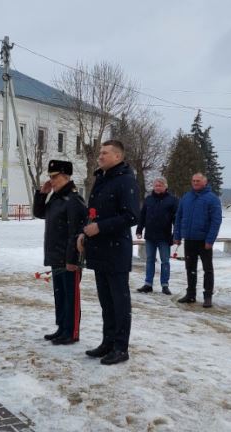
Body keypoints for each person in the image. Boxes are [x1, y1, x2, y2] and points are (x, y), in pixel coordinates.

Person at [77, 140, 140, 365]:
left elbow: (132, 216)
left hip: (116, 251)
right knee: (106, 301)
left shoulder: (126, 181)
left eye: (105, 153)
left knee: (119, 302)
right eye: (100, 152)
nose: (100, 156)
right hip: (99, 249)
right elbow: (93, 212)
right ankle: (108, 342)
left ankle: (121, 347)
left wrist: (101, 228)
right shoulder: (102, 179)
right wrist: (84, 232)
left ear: (117, 156)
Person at [33, 160, 86, 345]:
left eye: (55, 177)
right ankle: (62, 327)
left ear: (66, 176)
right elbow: (40, 213)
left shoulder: (73, 199)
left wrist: (72, 259)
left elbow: (76, 232)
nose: (52, 180)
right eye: (50, 177)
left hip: (69, 257)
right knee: (60, 294)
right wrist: (42, 194)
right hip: (56, 255)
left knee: (71, 296)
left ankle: (71, 332)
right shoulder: (56, 197)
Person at [173, 173, 222, 308]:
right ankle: (191, 294)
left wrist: (210, 240)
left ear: (205, 182)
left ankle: (207, 296)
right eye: (193, 180)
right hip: (189, 239)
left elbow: (216, 221)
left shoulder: (212, 199)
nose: (195, 183)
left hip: (204, 241)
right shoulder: (186, 197)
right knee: (190, 268)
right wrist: (177, 235)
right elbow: (179, 217)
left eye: (198, 181)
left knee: (208, 269)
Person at [136, 177, 179, 295]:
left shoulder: (172, 200)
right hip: (150, 236)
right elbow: (142, 215)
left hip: (164, 237)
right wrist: (139, 229)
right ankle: (148, 284)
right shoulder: (148, 199)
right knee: (150, 260)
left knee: (165, 261)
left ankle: (165, 285)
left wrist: (176, 234)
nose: (158, 187)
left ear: (165, 186)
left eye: (160, 185)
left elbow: (176, 219)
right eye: (156, 185)